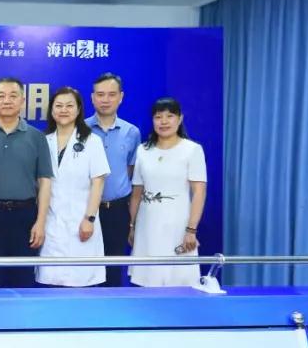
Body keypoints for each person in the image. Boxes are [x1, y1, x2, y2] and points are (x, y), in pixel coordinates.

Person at [0, 77, 53, 287]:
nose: (7, 101)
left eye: (13, 96)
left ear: (22, 101)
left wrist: (40, 222)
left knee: (23, 278)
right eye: (1, 96)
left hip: (25, 215)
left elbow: (45, 181)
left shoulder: (36, 137)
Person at [128, 97, 207, 287]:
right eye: (158, 117)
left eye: (169, 116)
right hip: (147, 224)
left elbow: (199, 192)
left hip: (178, 226)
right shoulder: (143, 150)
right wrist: (132, 226)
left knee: (178, 280)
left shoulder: (192, 150)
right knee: (148, 279)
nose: (163, 122)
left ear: (180, 119)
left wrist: (191, 230)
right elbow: (137, 192)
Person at [36, 87, 110, 287]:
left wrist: (89, 218)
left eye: (69, 106)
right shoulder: (43, 140)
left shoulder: (92, 141)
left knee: (81, 283)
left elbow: (98, 182)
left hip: (81, 221)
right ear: (52, 110)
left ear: (78, 110)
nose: (64, 110)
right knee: (50, 283)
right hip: (51, 223)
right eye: (58, 106)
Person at [85, 72, 142, 287]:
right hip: (85, 209)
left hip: (116, 210)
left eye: (111, 94)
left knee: (113, 268)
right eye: (100, 95)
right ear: (92, 98)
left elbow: (130, 170)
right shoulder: (80, 130)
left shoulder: (132, 132)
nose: (105, 100)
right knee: (85, 267)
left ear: (121, 97)